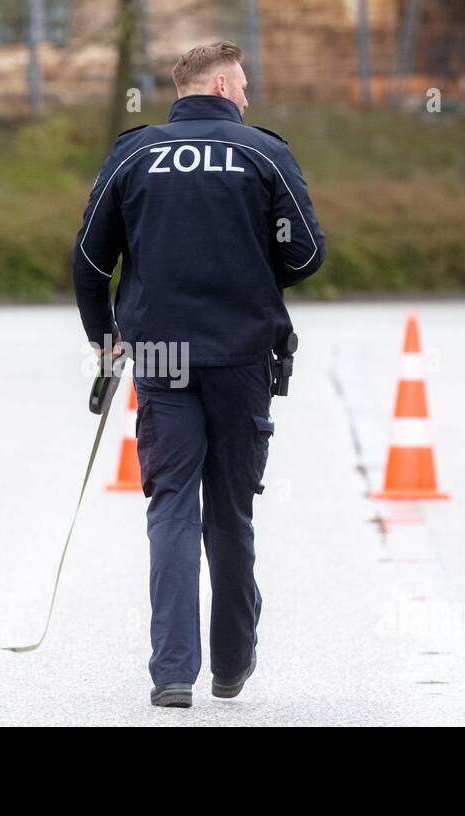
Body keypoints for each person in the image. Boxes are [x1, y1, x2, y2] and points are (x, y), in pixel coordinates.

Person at [71, 41, 325, 708]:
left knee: (172, 508)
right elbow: (306, 255)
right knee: (231, 513)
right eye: (242, 86)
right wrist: (255, 267)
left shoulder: (134, 154)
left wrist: (106, 341)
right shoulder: (264, 153)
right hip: (241, 356)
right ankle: (232, 664)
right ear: (219, 85)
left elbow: (89, 262)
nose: (247, 97)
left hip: (159, 355)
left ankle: (173, 673)